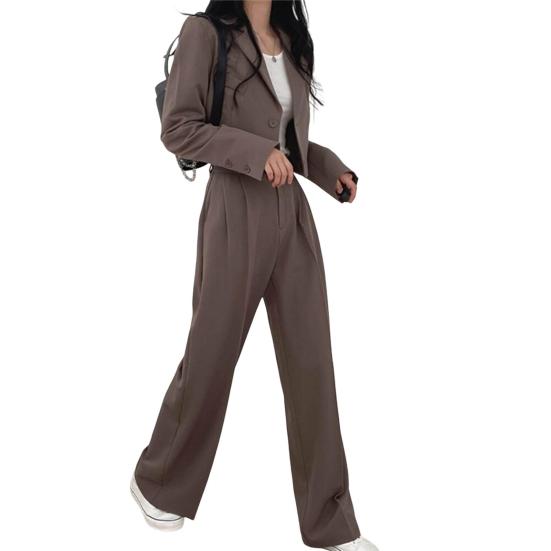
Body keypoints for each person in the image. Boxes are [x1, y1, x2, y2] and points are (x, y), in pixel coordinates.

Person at [131, 2, 378, 550]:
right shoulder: (204, 33)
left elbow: (291, 143)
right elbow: (180, 128)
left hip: (292, 215)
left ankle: (331, 524)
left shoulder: (290, 40)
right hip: (234, 206)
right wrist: (255, 151)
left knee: (313, 366)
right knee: (212, 353)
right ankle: (158, 482)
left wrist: (330, 168)